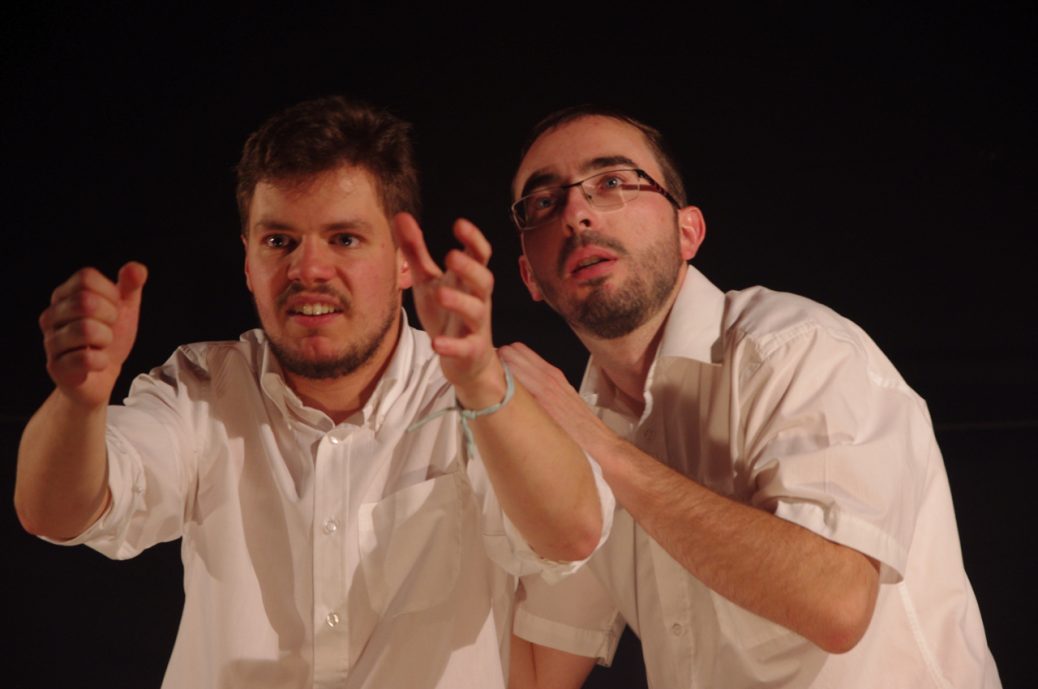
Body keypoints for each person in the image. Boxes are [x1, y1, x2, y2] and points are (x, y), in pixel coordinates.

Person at [14, 96, 610, 689]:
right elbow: (56, 513)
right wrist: (78, 403)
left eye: (344, 238)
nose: (308, 270)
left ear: (404, 260)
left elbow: (570, 536)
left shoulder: (484, 398)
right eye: (279, 241)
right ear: (248, 263)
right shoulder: (200, 388)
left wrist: (479, 384)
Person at [501, 106, 1001, 688]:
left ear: (688, 232)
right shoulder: (574, 430)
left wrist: (602, 448)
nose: (576, 214)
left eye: (612, 181)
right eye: (544, 202)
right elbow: (534, 672)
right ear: (529, 278)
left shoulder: (799, 348)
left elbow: (836, 603)